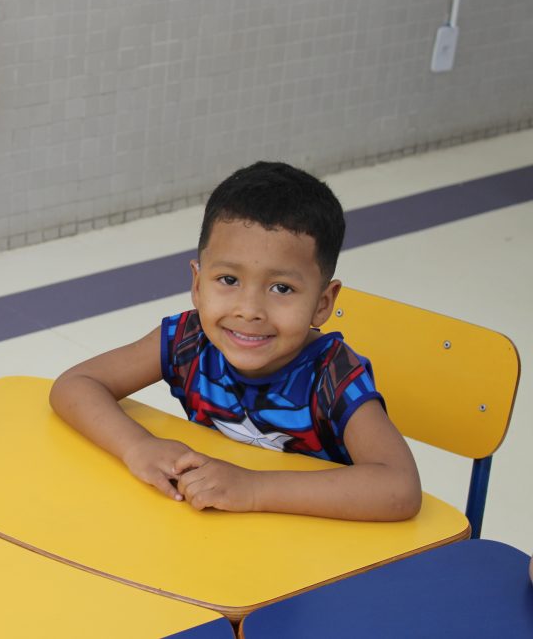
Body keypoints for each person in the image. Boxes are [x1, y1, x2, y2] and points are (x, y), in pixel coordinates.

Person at [50, 161, 421, 521]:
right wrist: (137, 447)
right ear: (198, 284)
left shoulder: (332, 376)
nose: (249, 310)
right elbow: (76, 384)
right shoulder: (188, 340)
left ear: (323, 304)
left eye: (281, 288)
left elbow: (400, 488)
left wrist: (254, 489)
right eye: (229, 280)